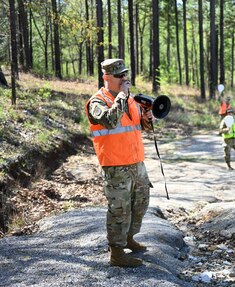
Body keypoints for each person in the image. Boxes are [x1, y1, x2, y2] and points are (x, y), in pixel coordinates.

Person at [85, 59, 152, 268]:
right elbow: (109, 121)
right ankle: (116, 252)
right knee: (119, 209)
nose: (125, 79)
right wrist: (122, 96)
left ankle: (129, 238)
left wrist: (148, 118)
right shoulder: (97, 102)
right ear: (107, 77)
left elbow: (142, 126)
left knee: (139, 204)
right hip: (115, 165)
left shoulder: (130, 100)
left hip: (136, 162)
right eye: (120, 76)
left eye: (125, 74)